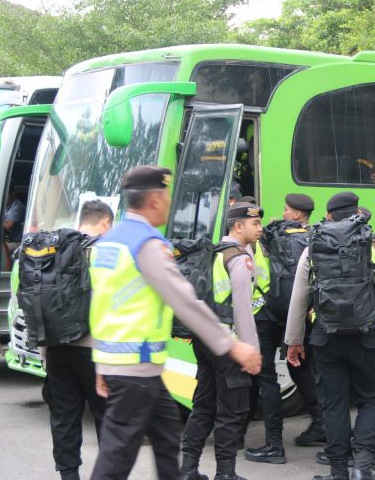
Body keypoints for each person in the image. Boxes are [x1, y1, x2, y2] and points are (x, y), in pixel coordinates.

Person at [88, 166, 261, 480]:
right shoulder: (148, 245)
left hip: (131, 367)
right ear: (154, 200)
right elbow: (185, 301)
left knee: (168, 440)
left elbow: (100, 305)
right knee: (116, 458)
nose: (170, 203)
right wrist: (232, 346)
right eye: (167, 196)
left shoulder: (108, 242)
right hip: (136, 369)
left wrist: (101, 361)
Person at [285, 191, 375, 480]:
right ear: (356, 213)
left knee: (334, 404)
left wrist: (294, 340)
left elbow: (299, 297)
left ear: (329, 215)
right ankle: (362, 464)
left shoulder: (314, 243)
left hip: (326, 338)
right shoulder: (372, 243)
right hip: (365, 335)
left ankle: (338, 472)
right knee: (371, 400)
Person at [180, 202, 263, 480]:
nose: (260, 229)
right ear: (238, 226)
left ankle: (188, 469)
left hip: (206, 341)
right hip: (230, 345)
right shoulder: (239, 258)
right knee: (231, 412)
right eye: (255, 224)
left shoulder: (214, 252)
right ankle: (225, 474)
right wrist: (251, 350)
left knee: (203, 406)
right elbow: (243, 309)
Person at [244, 193, 326, 465]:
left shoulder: (269, 236)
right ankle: (321, 422)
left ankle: (274, 445)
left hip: (267, 314)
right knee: (300, 365)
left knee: (267, 378)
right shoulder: (316, 237)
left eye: (286, 209)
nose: (283, 213)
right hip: (297, 314)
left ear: (296, 214)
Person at [44, 200, 113, 480]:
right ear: (105, 222)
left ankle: (68, 476)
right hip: (92, 349)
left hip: (56, 347)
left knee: (64, 418)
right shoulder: (103, 252)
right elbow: (108, 304)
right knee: (107, 417)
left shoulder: (52, 248)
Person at [3, 185, 25, 252]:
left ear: (13, 194)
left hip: (18, 242)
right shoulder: (5, 206)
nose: (4, 197)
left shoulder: (18, 206)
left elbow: (8, 226)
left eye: (7, 194)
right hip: (8, 239)